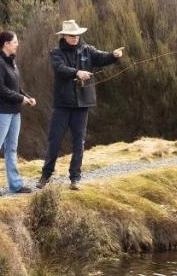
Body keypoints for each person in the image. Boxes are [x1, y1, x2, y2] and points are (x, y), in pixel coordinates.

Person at [37, 19, 124, 190]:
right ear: (64, 36)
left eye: (77, 35)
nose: (75, 38)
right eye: (72, 35)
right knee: (54, 140)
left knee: (79, 142)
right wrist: (77, 73)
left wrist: (113, 55)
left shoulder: (87, 50)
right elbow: (60, 69)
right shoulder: (56, 53)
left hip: (82, 105)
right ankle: (45, 176)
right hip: (62, 105)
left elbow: (101, 57)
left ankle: (75, 178)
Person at [0, 30, 37, 195]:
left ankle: (16, 185)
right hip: (0, 112)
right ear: (6, 44)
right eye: (15, 42)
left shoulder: (11, 62)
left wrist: (27, 97)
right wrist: (21, 99)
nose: (17, 44)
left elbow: (15, 87)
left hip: (14, 112)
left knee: (12, 149)